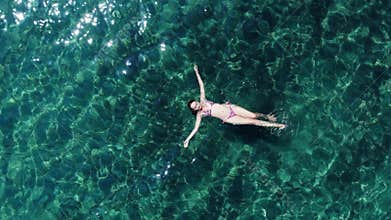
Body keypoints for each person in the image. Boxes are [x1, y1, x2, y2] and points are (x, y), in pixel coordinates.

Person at [183, 64, 286, 148]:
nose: (197, 106)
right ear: (195, 110)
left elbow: (201, 85)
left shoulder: (203, 100)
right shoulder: (200, 115)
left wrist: (196, 72)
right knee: (254, 122)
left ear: (197, 101)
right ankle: (279, 125)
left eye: (195, 104)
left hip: (231, 108)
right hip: (230, 118)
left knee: (254, 115)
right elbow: (196, 128)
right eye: (194, 107)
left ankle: (267, 117)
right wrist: (187, 140)